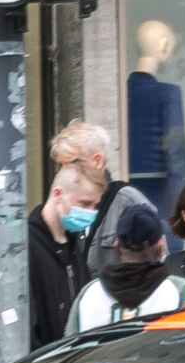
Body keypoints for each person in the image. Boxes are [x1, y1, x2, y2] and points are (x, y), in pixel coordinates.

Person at [67, 200, 185, 333]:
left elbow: (67, 349)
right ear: (160, 247)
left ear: (117, 247)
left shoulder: (88, 295)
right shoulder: (181, 291)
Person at [49, 120, 156, 283]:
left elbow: (156, 264)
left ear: (97, 161)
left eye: (71, 164)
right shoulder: (62, 205)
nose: (65, 173)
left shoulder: (128, 201)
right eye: (61, 166)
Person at [27, 160, 103, 351]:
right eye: (85, 203)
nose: (90, 212)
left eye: (95, 205)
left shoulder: (75, 243)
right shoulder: (26, 245)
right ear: (58, 194)